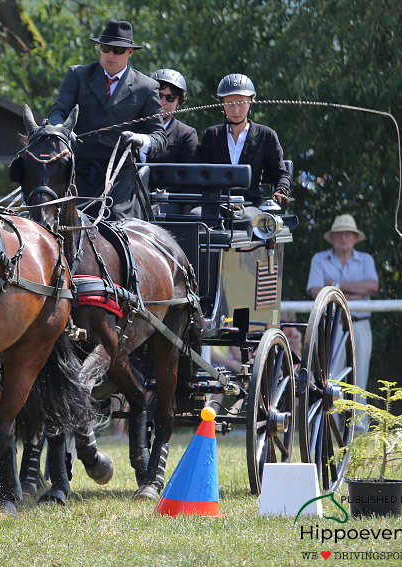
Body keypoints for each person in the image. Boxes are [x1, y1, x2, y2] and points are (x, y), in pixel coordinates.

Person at [47, 19, 167, 220]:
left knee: (116, 221)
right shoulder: (78, 75)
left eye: (118, 50)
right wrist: (62, 131)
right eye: (106, 48)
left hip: (119, 176)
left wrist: (140, 139)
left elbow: (159, 138)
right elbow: (57, 112)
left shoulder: (147, 87)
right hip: (77, 170)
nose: (111, 54)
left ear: (130, 52)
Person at [307, 215, 378, 433]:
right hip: (331, 326)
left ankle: (359, 432)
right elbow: (315, 291)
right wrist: (352, 294)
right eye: (339, 233)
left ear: (355, 237)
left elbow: (372, 286)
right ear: (332, 237)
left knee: (359, 379)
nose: (343, 237)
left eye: (348, 233)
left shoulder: (365, 259)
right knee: (328, 381)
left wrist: (336, 287)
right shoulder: (319, 259)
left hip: (360, 325)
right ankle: (328, 431)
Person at [198, 74, 291, 211]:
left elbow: (281, 174)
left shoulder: (266, 135)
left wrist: (281, 191)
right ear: (222, 104)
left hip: (251, 206)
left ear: (250, 102)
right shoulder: (211, 135)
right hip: (217, 206)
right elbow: (201, 173)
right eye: (229, 104)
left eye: (241, 103)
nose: (236, 110)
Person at [148, 69, 199, 164]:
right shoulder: (134, 127)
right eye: (159, 95)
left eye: (170, 98)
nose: (162, 102)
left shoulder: (186, 135)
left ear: (180, 103)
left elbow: (190, 175)